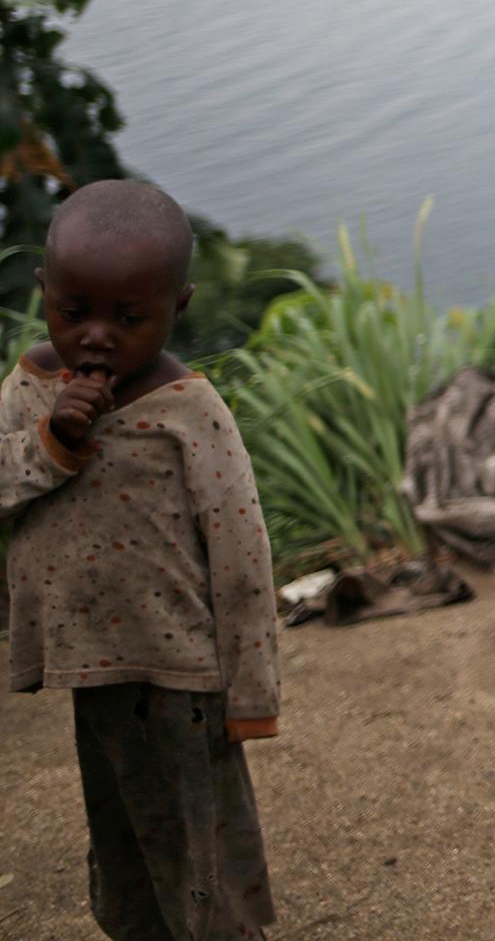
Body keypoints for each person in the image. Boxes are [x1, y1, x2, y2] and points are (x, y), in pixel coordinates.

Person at [0, 180, 279, 941]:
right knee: (123, 837)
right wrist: (50, 444)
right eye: (73, 311)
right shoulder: (30, 388)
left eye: (129, 319)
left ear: (176, 308)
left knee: (198, 843)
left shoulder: (190, 411)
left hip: (181, 672)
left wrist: (252, 692)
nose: (94, 338)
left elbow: (241, 555)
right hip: (89, 665)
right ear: (44, 293)